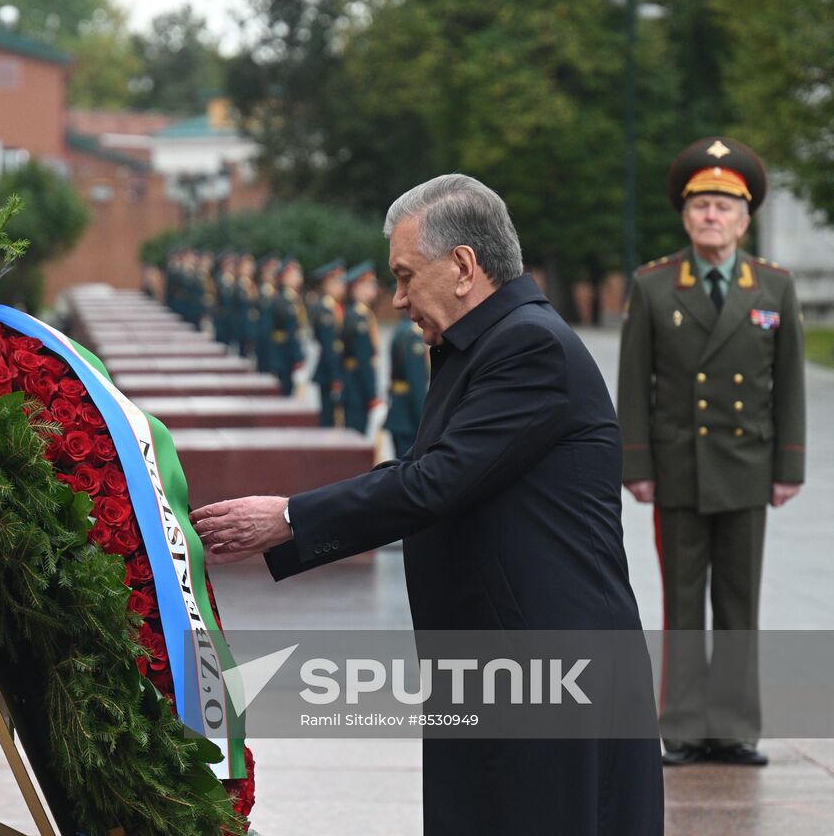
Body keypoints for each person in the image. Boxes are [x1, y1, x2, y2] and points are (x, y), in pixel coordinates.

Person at [191, 174, 663, 835]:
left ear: (464, 267)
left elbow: (434, 480)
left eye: (407, 275)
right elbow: (425, 473)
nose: (399, 297)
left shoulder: (529, 348)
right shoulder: (483, 347)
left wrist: (289, 517)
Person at [617, 137, 805, 767]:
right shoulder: (653, 287)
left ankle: (734, 728)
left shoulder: (773, 289)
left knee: (738, 601)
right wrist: (636, 464)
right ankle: (685, 728)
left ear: (745, 218)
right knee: (682, 601)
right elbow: (635, 384)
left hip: (748, 469)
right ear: (685, 216)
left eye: (725, 206)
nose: (712, 216)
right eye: (701, 206)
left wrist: (790, 466)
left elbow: (792, 385)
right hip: (680, 469)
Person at [340, 261, 382, 434]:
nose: (374, 289)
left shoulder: (360, 314)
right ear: (357, 287)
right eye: (370, 284)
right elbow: (363, 360)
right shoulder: (358, 319)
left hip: (354, 387)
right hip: (357, 389)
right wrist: (372, 395)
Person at [308, 259, 346, 426]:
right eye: (339, 282)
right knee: (329, 420)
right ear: (328, 283)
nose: (342, 287)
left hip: (333, 369)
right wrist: (336, 376)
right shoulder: (325, 310)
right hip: (329, 371)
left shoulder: (335, 307)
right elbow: (330, 346)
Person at [384, 313, 427, 455]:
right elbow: (417, 384)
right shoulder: (414, 336)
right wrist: (424, 422)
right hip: (409, 417)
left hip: (399, 411)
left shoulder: (401, 329)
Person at [265, 257, 308, 395]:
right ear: (285, 278)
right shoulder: (285, 302)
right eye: (295, 274)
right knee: (285, 395)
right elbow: (291, 333)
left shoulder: (291, 299)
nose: (298, 277)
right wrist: (298, 359)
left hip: (284, 355)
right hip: (285, 356)